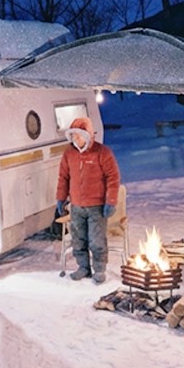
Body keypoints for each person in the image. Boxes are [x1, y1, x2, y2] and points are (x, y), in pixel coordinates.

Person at [56, 116, 121, 284]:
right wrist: (61, 198)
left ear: (88, 135)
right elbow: (63, 177)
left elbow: (113, 178)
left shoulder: (102, 152)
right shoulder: (69, 153)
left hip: (96, 206)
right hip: (76, 206)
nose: (75, 139)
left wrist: (111, 201)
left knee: (96, 240)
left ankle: (99, 269)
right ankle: (83, 267)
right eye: (72, 136)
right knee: (78, 239)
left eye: (78, 135)